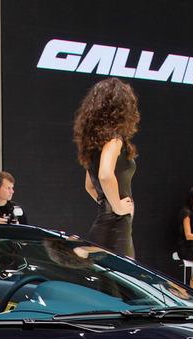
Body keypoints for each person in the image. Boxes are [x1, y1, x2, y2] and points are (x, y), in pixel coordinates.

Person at [73, 77, 138, 257]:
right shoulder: (114, 141)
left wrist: (108, 204)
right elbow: (105, 175)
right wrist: (117, 207)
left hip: (104, 224)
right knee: (125, 273)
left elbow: (89, 186)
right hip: (117, 227)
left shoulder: (94, 145)